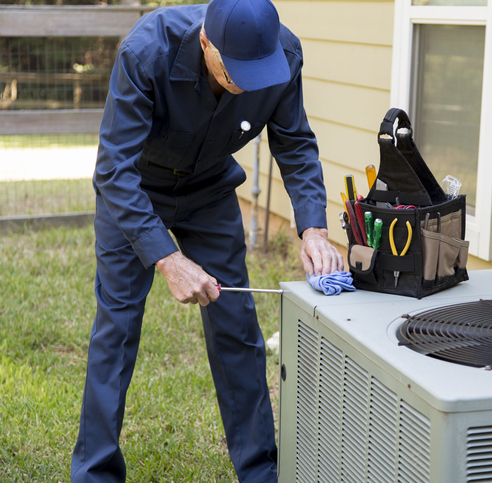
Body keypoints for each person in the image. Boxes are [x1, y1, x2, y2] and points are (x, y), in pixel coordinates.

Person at [70, 0, 343, 480]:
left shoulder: (284, 57)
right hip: (135, 188)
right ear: (205, 43)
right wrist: (168, 259)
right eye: (234, 71)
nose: (246, 83)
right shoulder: (146, 50)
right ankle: (94, 473)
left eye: (256, 71)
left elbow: (295, 142)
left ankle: (259, 472)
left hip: (211, 188)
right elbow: (113, 169)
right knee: (116, 330)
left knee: (236, 325)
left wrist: (313, 228)